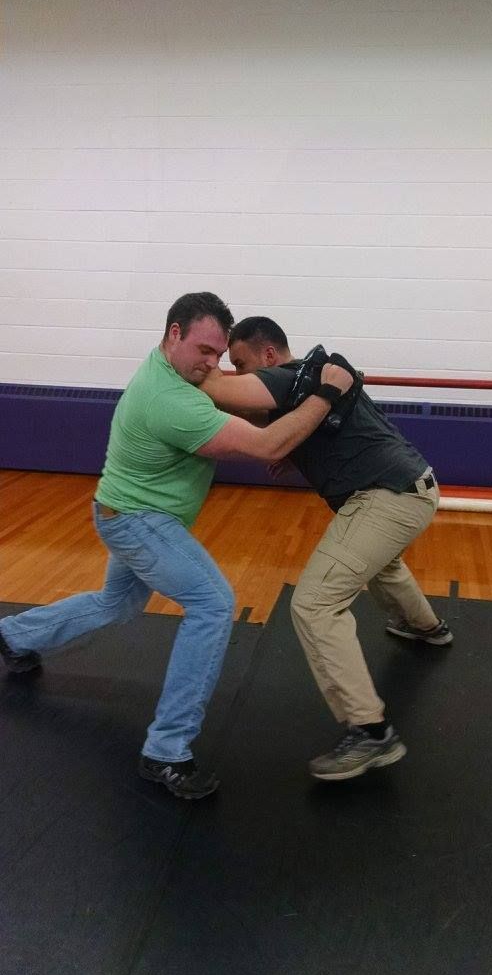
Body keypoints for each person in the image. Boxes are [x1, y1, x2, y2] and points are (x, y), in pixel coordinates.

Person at [0, 294, 353, 799]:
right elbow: (266, 445)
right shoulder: (172, 401)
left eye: (218, 354)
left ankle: (14, 635)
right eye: (204, 350)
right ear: (174, 334)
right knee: (213, 604)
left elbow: (239, 409)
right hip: (138, 522)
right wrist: (327, 393)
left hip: (119, 509)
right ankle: (166, 750)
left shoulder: (173, 372)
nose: (211, 364)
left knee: (116, 603)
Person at [202, 316, 453, 782]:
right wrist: (302, 456)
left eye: (240, 363)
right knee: (381, 564)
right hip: (414, 487)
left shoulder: (284, 377)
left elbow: (218, 391)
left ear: (270, 355)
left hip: (387, 497)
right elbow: (322, 429)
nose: (238, 373)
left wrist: (189, 354)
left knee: (314, 603)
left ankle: (372, 734)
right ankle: (426, 627)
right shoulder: (308, 384)